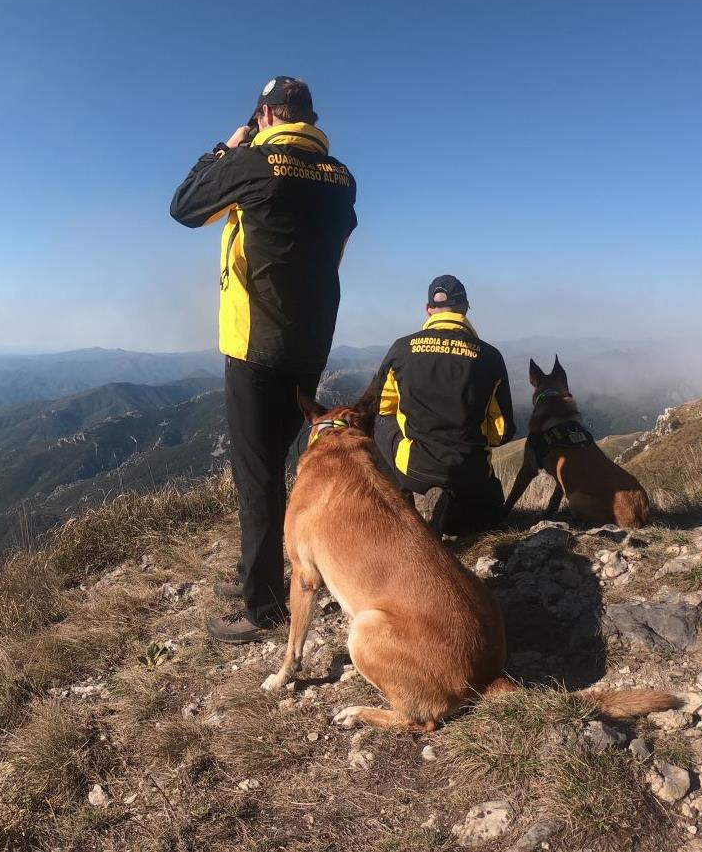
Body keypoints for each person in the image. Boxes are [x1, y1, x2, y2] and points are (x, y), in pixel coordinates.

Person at [170, 76, 357, 643]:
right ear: (310, 117)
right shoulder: (342, 177)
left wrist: (226, 147)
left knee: (258, 477)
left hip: (255, 343)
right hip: (311, 342)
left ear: (268, 115)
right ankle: (269, 575)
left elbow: (184, 207)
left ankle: (264, 606)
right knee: (281, 464)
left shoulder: (255, 162)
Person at [376, 275, 514, 534]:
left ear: (428, 309)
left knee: (379, 421)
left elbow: (381, 407)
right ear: (465, 307)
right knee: (486, 515)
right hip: (470, 474)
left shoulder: (401, 349)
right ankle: (457, 510)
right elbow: (502, 431)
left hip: (414, 469)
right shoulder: (490, 357)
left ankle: (400, 502)